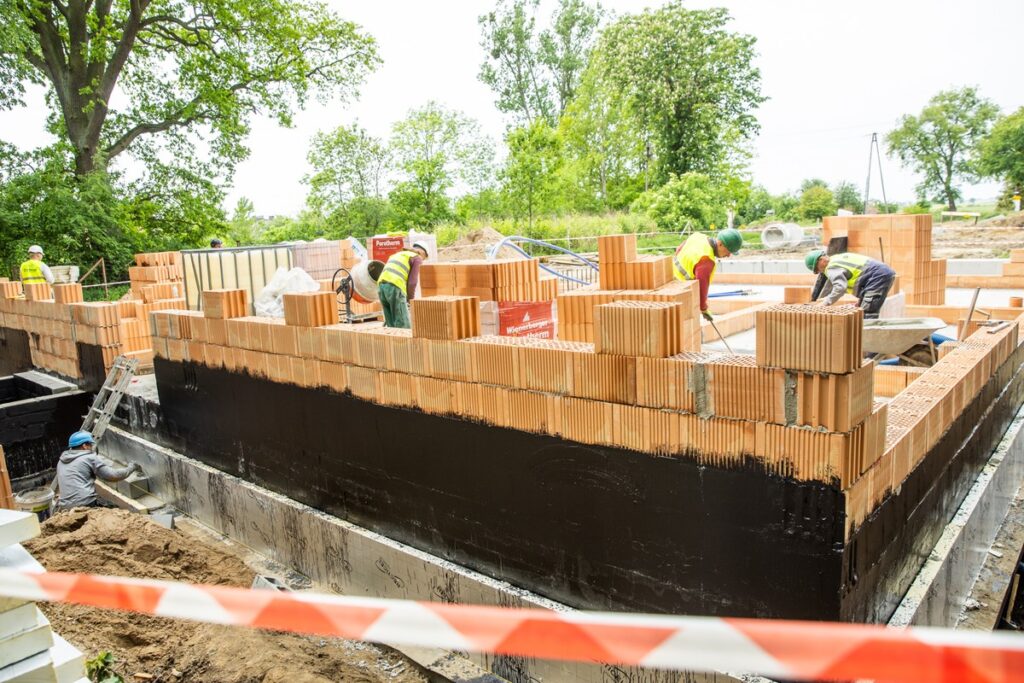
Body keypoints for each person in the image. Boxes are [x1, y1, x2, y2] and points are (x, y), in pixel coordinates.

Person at [54, 431, 140, 511]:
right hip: (84, 503)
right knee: (115, 510)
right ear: (84, 446)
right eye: (90, 445)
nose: (92, 448)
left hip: (65, 506)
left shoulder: (61, 461)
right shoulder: (89, 458)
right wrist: (132, 467)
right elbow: (114, 476)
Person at [672, 229, 743, 321]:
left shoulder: (698, 236)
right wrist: (704, 308)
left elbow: (679, 249)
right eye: (728, 251)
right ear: (720, 244)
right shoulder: (706, 260)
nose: (729, 255)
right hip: (680, 291)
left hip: (670, 279)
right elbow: (702, 288)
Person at [804, 250, 896, 319]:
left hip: (877, 276)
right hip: (879, 275)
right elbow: (862, 276)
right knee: (865, 308)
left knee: (867, 314)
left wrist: (825, 303)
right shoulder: (836, 259)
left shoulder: (831, 268)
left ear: (821, 261)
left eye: (817, 269)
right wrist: (861, 301)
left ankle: (869, 338)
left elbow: (840, 288)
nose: (820, 272)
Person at [377, 242, 430, 329]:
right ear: (422, 252)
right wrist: (410, 300)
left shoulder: (398, 255)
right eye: (424, 258)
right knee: (403, 326)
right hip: (395, 286)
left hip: (381, 287)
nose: (422, 260)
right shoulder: (417, 258)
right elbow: (412, 282)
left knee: (391, 326)